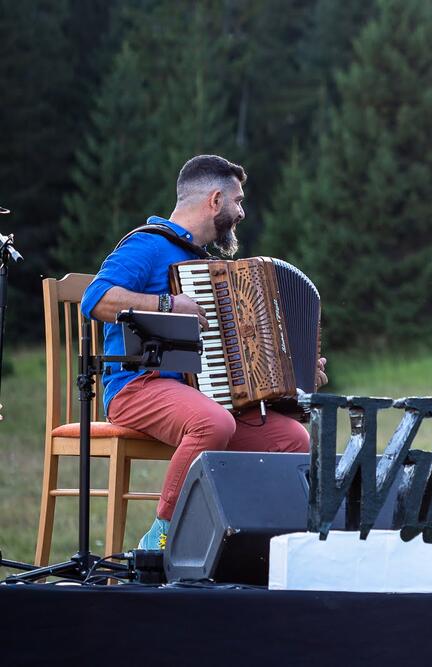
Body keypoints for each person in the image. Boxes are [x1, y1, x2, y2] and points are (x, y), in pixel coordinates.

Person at [81, 154, 327, 550]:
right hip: (137, 386)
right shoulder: (148, 244)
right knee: (213, 424)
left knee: (292, 439)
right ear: (215, 200)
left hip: (198, 395)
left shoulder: (203, 265)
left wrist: (292, 370)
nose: (242, 211)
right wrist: (165, 304)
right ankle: (161, 539)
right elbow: (95, 299)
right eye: (238, 201)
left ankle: (248, 542)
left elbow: (238, 356)